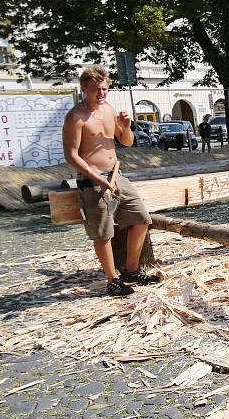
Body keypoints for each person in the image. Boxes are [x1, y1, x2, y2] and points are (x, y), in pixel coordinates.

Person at [62, 66, 160, 296]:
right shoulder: (76, 117)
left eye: (105, 89)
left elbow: (125, 141)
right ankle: (113, 280)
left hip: (116, 175)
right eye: (96, 89)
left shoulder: (108, 109)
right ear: (84, 89)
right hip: (93, 180)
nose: (101, 93)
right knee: (103, 233)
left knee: (142, 219)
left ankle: (131, 270)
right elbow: (71, 155)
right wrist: (97, 179)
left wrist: (126, 127)